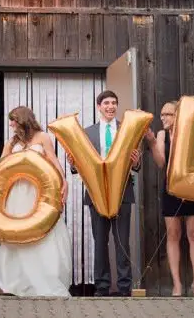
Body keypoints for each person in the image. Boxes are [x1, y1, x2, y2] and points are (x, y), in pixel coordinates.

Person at [0, 106, 72, 297]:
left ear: (23, 120)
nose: (11, 124)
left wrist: (64, 182)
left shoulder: (42, 138)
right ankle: (8, 281)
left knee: (38, 234)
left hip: (36, 193)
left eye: (13, 120)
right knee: (13, 232)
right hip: (15, 193)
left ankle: (37, 280)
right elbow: (1, 166)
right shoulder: (11, 142)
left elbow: (53, 160)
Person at [68, 90, 142, 297]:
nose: (111, 106)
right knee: (100, 242)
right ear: (99, 106)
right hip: (95, 194)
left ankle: (125, 287)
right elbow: (78, 166)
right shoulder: (86, 132)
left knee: (122, 242)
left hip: (123, 194)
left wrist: (137, 163)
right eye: (106, 103)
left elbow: (136, 164)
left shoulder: (127, 129)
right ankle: (102, 287)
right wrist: (73, 165)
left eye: (114, 103)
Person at [144, 100, 194, 297]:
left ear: (178, 115)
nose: (163, 118)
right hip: (171, 189)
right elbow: (161, 162)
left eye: (167, 114)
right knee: (173, 235)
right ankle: (177, 285)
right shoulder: (161, 135)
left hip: (193, 188)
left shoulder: (191, 131)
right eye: (162, 114)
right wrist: (152, 142)